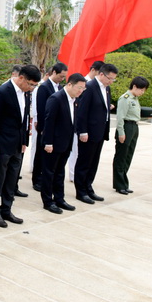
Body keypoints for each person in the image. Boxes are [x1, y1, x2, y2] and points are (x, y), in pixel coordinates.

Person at [0, 65, 40, 228]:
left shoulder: (26, 93)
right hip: (2, 144)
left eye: (34, 86)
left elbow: (24, 119)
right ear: (21, 78)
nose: (31, 88)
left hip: (17, 145)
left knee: (12, 179)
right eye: (30, 84)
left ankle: (6, 209)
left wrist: (24, 141)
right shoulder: (2, 92)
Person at [41, 73, 87, 213]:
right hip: (53, 143)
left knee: (60, 172)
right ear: (70, 85)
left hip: (65, 142)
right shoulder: (56, 98)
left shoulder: (74, 100)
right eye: (79, 88)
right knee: (49, 173)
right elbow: (49, 122)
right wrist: (48, 142)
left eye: (83, 88)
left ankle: (59, 199)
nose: (81, 91)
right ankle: (48, 201)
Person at [74, 63, 118, 204]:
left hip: (100, 131)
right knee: (84, 162)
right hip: (88, 132)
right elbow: (82, 111)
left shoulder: (106, 88)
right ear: (101, 74)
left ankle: (88, 187)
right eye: (109, 78)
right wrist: (83, 131)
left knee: (94, 162)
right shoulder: (89, 87)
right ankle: (81, 191)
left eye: (113, 79)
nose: (111, 81)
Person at [32, 63, 67, 191]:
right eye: (61, 76)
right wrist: (42, 128)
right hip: (45, 127)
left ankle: (46, 179)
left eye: (64, 77)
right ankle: (37, 179)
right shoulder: (44, 87)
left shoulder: (60, 88)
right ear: (54, 72)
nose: (62, 79)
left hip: (55, 129)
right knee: (40, 154)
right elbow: (41, 110)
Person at [68, 60, 104, 182]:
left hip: (91, 128)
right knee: (75, 152)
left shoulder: (102, 87)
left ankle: (80, 178)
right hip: (78, 124)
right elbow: (81, 108)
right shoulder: (84, 84)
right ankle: (73, 175)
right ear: (93, 70)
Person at [113, 76, 149, 194]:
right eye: (141, 90)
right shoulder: (125, 98)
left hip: (134, 127)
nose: (142, 92)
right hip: (126, 127)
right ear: (134, 86)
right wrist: (121, 133)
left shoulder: (135, 98)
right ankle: (119, 185)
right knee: (121, 156)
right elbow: (120, 117)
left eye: (144, 90)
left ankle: (124, 182)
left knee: (128, 156)